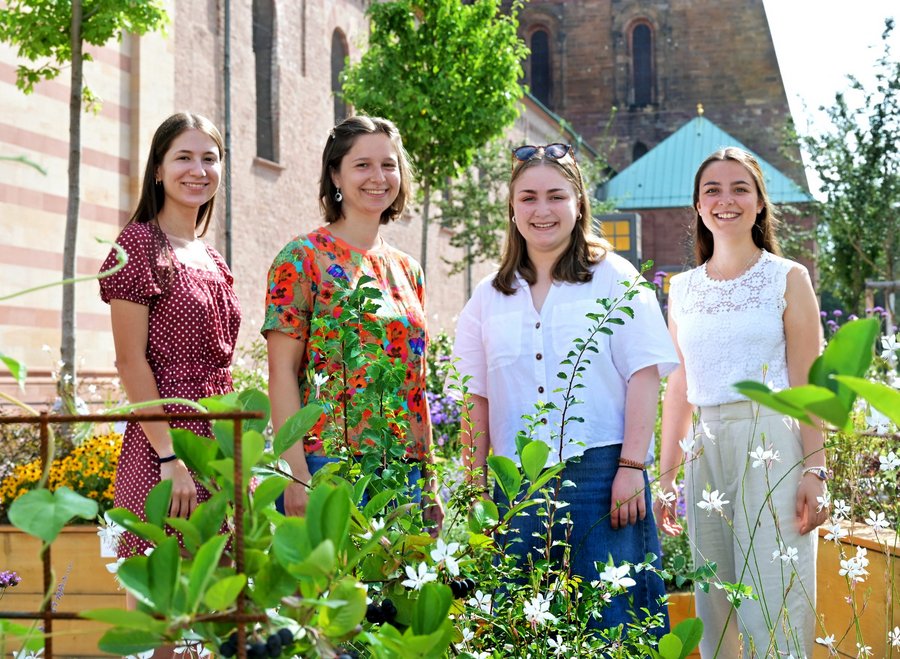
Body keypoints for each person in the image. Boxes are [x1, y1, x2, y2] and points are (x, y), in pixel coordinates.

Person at [453, 143, 678, 633]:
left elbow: (644, 374)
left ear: (578, 205)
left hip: (604, 476)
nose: (542, 210)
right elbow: (476, 398)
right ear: (512, 208)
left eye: (556, 196)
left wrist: (631, 468)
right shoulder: (487, 297)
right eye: (528, 197)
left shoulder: (614, 277)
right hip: (514, 487)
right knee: (519, 629)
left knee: (615, 627)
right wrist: (476, 490)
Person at [655, 147, 826, 658]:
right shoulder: (682, 289)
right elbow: (680, 385)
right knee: (714, 597)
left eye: (739, 189)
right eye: (712, 190)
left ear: (759, 203)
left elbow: (808, 381)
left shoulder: (787, 277)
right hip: (704, 448)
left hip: (770, 440)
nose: (725, 200)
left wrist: (816, 469)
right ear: (698, 206)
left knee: (776, 590)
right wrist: (666, 477)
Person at [263, 115, 442, 530]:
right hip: (327, 465)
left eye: (389, 165)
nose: (378, 177)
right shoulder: (302, 257)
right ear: (335, 175)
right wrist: (294, 473)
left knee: (400, 577)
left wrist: (430, 479)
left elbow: (416, 383)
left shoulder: (408, 270)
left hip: (403, 472)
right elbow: (282, 372)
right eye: (362, 165)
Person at [98, 113, 241, 557]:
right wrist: (168, 456)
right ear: (158, 170)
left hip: (220, 439)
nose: (198, 170)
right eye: (184, 158)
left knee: (224, 589)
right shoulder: (138, 244)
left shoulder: (213, 258)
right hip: (164, 443)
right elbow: (130, 361)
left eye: (209, 159)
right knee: (162, 586)